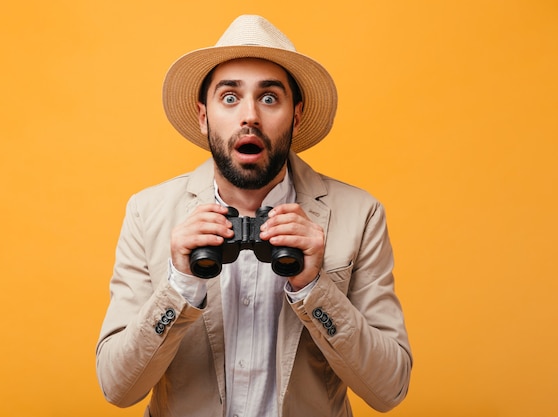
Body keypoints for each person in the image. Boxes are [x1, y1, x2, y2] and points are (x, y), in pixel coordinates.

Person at [96, 14, 412, 417]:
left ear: (295, 116)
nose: (250, 117)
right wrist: (178, 287)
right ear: (203, 115)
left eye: (269, 98)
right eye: (229, 97)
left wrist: (314, 288)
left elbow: (390, 390)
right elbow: (117, 388)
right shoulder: (148, 213)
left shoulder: (360, 214)